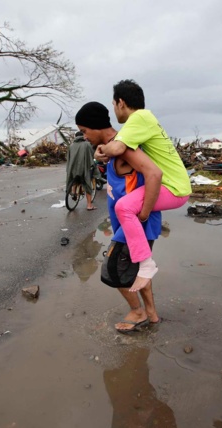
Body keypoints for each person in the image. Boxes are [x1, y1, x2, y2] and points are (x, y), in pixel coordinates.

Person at [93, 80, 192, 292]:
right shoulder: (145, 120)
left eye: (113, 104)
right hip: (174, 185)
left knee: (124, 208)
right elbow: (118, 145)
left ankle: (146, 265)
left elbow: (118, 147)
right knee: (126, 208)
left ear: (120, 102)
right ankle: (144, 264)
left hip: (173, 187)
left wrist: (145, 213)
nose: (114, 110)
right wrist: (103, 150)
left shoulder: (139, 118)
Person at [75, 102, 162, 332]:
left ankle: (138, 311)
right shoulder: (115, 147)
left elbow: (153, 173)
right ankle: (151, 312)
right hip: (131, 224)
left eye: (85, 131)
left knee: (113, 270)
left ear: (95, 126)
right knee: (136, 269)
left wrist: (143, 215)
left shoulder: (124, 147)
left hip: (135, 223)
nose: (84, 137)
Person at [65, 130, 97, 210]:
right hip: (84, 169)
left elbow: (68, 158)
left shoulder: (71, 146)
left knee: (74, 180)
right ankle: (89, 205)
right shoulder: (87, 144)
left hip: (73, 169)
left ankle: (73, 192)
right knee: (87, 184)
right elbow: (92, 154)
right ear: (83, 136)